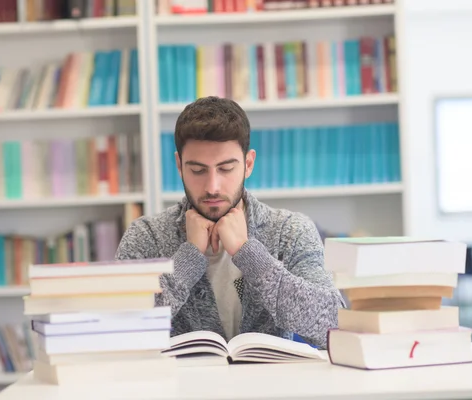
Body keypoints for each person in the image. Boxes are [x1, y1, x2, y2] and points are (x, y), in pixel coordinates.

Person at [115, 96, 344, 349]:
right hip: (179, 388)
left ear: (248, 164)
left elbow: (334, 325)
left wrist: (250, 255)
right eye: (198, 170)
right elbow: (120, 329)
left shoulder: (290, 231)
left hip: (272, 388)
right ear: (179, 166)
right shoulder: (147, 236)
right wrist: (187, 259)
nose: (212, 186)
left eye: (225, 169)